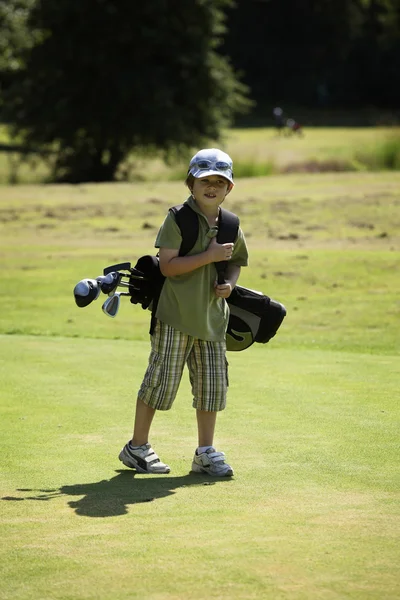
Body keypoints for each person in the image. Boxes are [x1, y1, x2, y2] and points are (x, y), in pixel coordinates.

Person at [119, 148, 248, 477]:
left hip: (212, 319)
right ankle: (137, 448)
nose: (212, 186)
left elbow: (233, 263)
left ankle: (205, 452)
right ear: (191, 183)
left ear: (229, 188)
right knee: (159, 383)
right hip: (175, 316)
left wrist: (230, 286)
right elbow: (168, 266)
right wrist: (209, 255)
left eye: (220, 181)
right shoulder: (178, 218)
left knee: (212, 387)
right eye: (205, 180)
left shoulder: (230, 223)